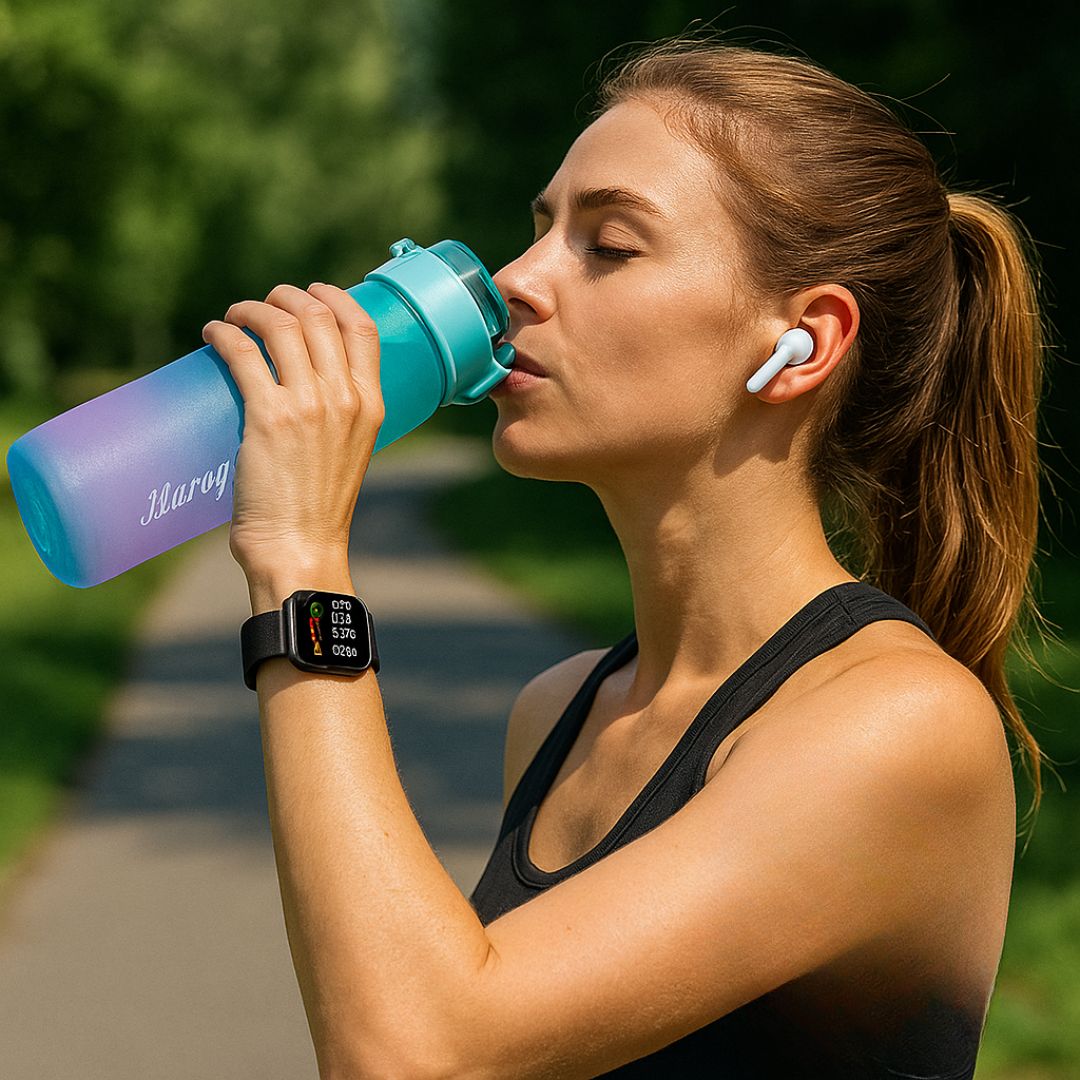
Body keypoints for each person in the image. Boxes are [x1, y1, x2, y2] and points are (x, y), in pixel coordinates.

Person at [202, 33, 1049, 1080]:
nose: (515, 281)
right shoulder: (559, 714)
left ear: (805, 342)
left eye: (609, 245)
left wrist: (301, 564)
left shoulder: (898, 727)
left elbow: (417, 1052)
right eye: (542, 229)